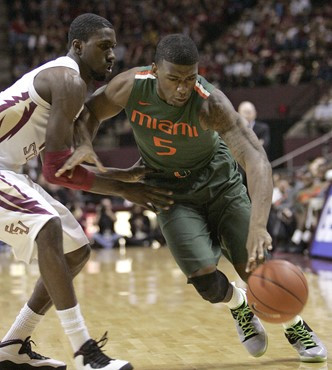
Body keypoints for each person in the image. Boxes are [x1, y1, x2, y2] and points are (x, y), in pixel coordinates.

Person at [59, 34, 327, 363]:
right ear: (155, 70)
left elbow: (256, 159)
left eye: (190, 78)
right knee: (207, 285)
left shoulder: (210, 102)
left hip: (219, 183)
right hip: (168, 190)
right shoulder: (131, 85)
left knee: (256, 267)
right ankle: (240, 305)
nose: (183, 88)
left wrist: (259, 225)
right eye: (174, 79)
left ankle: (295, 325)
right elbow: (88, 113)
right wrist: (85, 143)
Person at [0, 13, 173, 370]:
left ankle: (13, 345)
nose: (112, 55)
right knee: (47, 226)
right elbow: (55, 171)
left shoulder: (69, 84)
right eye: (103, 47)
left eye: (114, 47)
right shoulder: (68, 80)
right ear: (78, 46)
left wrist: (120, 179)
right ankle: (85, 353)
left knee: (76, 250)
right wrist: (122, 186)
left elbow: (58, 166)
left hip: (8, 169)